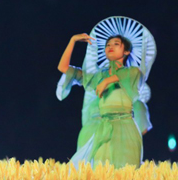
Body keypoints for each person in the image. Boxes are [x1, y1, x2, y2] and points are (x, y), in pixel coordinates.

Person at [56, 16, 156, 168]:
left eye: (117, 44)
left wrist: (108, 81)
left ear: (127, 51)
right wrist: (72, 40)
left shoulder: (133, 72)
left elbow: (125, 76)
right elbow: (63, 68)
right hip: (104, 129)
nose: (110, 46)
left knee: (127, 175)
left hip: (126, 128)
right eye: (108, 44)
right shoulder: (98, 76)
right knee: (102, 174)